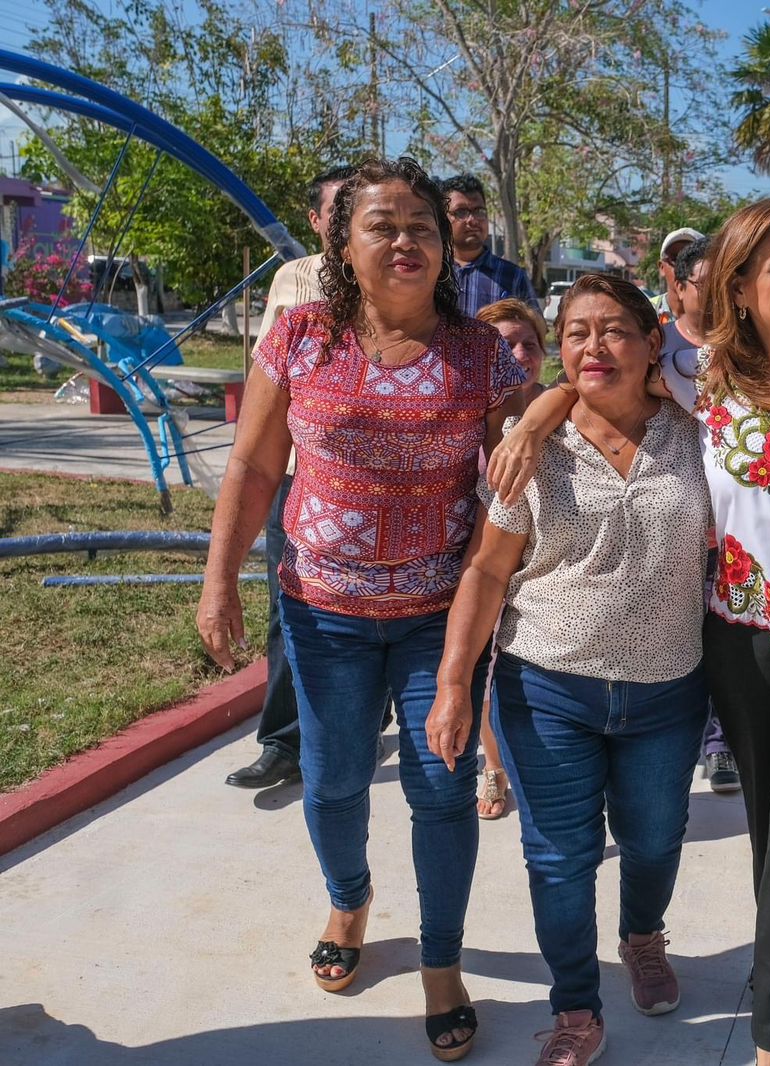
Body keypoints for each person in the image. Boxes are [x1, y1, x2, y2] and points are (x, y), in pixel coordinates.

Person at [489, 199, 770, 1066]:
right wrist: (542, 413)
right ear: (739, 285)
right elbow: (598, 375)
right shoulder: (703, 376)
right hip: (740, 640)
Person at [197, 157, 526, 1061]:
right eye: (381, 224)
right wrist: (219, 578)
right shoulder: (301, 336)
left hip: (439, 616)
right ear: (342, 243)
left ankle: (441, 962)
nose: (406, 239)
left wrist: (536, 413)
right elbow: (257, 467)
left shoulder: (481, 352)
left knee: (442, 787)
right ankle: (349, 901)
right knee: (335, 779)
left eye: (421, 223)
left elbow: (521, 472)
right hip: (322, 610)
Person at [429, 275, 710, 1066]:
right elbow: (487, 571)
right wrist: (455, 682)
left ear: (654, 343)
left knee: (655, 840)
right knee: (559, 858)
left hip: (668, 688)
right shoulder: (532, 448)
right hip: (547, 685)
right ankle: (576, 1007)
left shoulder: (698, 432)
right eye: (578, 332)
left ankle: (643, 938)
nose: (596, 346)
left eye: (615, 330)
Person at [224, 163, 357, 790]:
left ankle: (353, 721)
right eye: (339, 209)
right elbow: (266, 381)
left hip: (375, 480)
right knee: (288, 604)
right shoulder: (291, 280)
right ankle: (282, 740)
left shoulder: (399, 280)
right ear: (315, 220)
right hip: (300, 476)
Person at [663, 234, 742, 794]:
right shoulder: (652, 344)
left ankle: (721, 745)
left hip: (735, 531)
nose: (716, 296)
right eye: (705, 283)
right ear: (680, 286)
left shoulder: (755, 350)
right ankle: (679, 740)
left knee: (725, 647)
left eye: (728, 284)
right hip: (667, 524)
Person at [471, 298, 548, 820]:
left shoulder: (563, 404)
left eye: (529, 343)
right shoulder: (464, 408)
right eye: (504, 344)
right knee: (482, 662)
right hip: (483, 551)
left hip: (544, 562)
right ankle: (494, 767)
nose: (519, 353)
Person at [440, 174, 538, 317]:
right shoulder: (433, 271)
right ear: (443, 219)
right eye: (461, 212)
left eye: (479, 211)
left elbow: (535, 330)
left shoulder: (514, 277)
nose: (472, 220)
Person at [651, 227, 705, 323]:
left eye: (691, 258)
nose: (682, 265)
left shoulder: (719, 317)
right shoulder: (646, 313)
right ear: (662, 267)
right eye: (675, 259)